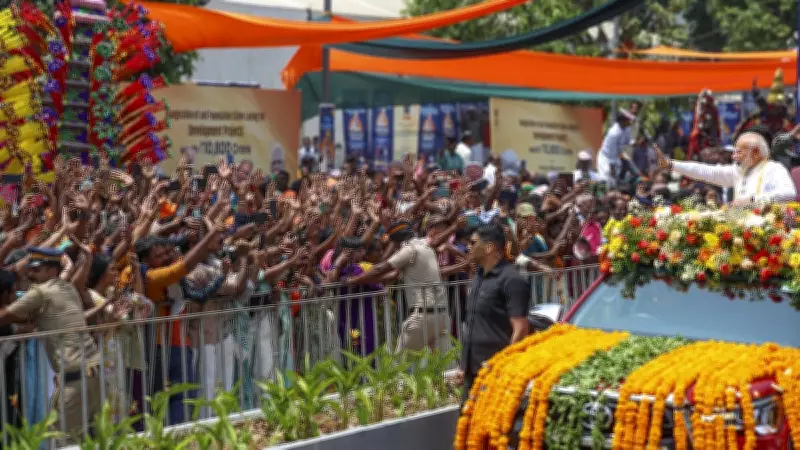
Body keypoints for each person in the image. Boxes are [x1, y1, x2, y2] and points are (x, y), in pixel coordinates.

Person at [0, 248, 102, 445]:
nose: (30, 274)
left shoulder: (40, 292)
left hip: (75, 379)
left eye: (37, 270)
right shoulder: (67, 288)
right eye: (30, 269)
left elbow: (4, 317)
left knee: (61, 441)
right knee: (96, 439)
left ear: (52, 271)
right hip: (95, 372)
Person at [344, 220, 453, 354]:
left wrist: (353, 280)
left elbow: (379, 269)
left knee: (400, 362)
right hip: (442, 315)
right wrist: (363, 280)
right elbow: (394, 275)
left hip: (423, 316)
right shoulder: (425, 246)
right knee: (446, 364)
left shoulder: (409, 250)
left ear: (398, 241)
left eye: (394, 243)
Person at [457, 225, 529, 402]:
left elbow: (520, 329)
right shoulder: (478, 276)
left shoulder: (511, 279)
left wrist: (502, 365)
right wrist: (464, 366)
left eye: (473, 243)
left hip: (496, 373)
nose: (468, 247)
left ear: (489, 247)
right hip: (473, 373)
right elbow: (473, 324)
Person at [653, 131, 796, 205]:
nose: (734, 157)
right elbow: (706, 171)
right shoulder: (738, 171)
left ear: (756, 152)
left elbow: (789, 193)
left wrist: (752, 200)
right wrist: (671, 164)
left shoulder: (774, 169)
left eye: (739, 152)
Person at [597, 108, 635, 187]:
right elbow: (611, 157)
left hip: (616, 157)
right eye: (628, 120)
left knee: (617, 180)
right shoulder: (614, 133)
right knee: (607, 182)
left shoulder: (627, 128)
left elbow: (628, 142)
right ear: (622, 121)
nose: (630, 122)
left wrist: (634, 143)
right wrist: (612, 172)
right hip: (606, 159)